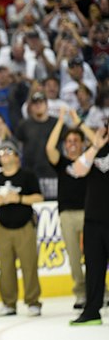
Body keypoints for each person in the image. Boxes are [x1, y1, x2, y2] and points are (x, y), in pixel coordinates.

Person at [0, 141, 44, 317]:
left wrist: (19, 198)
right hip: (2, 228)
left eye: (9, 151)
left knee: (29, 266)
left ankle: (33, 302)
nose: (5, 155)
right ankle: (8, 303)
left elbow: (39, 197)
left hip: (25, 226)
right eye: (1, 153)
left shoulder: (28, 176)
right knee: (6, 268)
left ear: (17, 156)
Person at [45, 108, 91, 309]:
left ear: (82, 145)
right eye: (69, 141)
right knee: (74, 258)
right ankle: (81, 293)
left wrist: (78, 123)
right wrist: (61, 121)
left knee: (94, 256)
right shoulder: (62, 163)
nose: (72, 145)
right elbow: (49, 148)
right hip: (67, 215)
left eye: (76, 141)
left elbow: (100, 143)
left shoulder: (90, 161)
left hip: (90, 214)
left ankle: (99, 290)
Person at [69, 125, 109, 326]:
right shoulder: (96, 150)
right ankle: (92, 311)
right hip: (93, 219)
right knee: (94, 267)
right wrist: (95, 147)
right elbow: (77, 170)